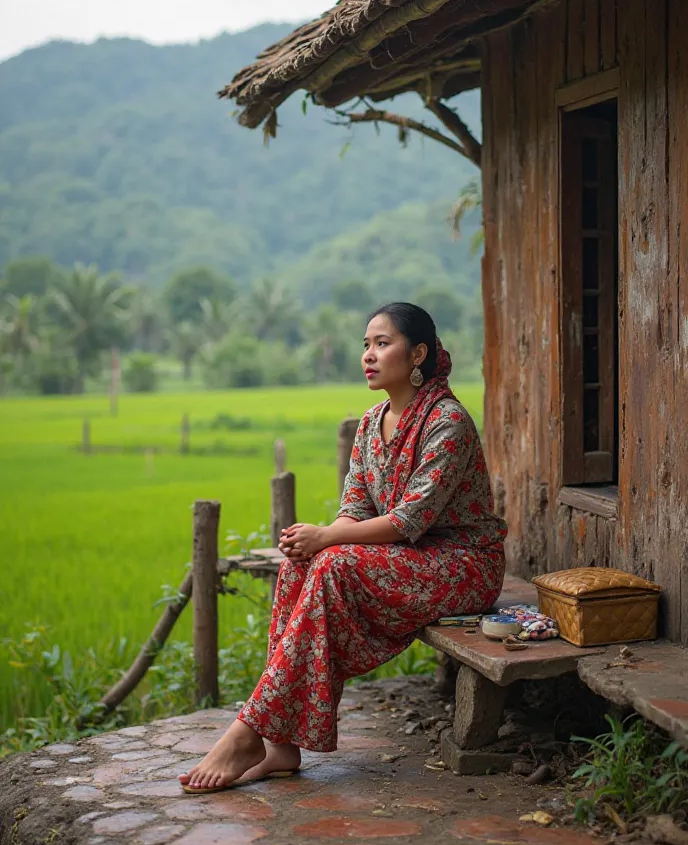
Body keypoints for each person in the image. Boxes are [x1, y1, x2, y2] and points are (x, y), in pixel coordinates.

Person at [179, 302, 507, 794]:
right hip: (407, 560)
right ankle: (281, 745)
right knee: (304, 563)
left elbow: (408, 519)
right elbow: (354, 505)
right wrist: (319, 540)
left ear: (417, 353)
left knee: (330, 560)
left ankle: (247, 732)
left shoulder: (448, 422)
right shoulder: (372, 423)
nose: (369, 356)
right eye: (366, 345)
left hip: (460, 564)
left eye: (382, 343)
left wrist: (327, 537)